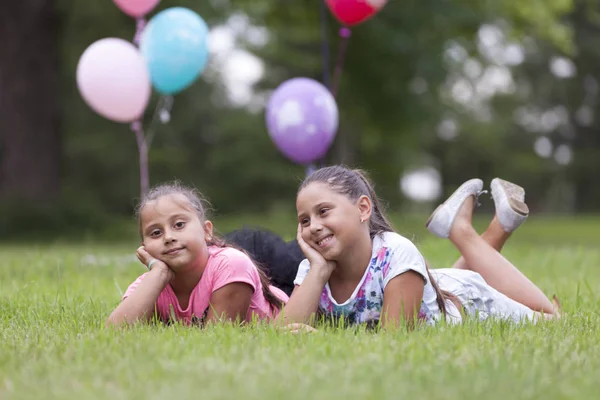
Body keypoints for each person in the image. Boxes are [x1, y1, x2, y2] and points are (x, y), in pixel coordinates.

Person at [273, 165, 560, 330]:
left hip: (468, 301)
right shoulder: (312, 268)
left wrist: (320, 340)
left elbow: (393, 340)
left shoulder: (396, 253)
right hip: (428, 287)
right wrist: (319, 271)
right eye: (304, 220)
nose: (313, 226)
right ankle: (470, 226)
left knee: (553, 321)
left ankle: (462, 229)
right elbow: (281, 335)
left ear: (362, 209)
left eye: (324, 212)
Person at [106, 182, 289, 328]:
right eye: (155, 233)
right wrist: (158, 273)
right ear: (144, 247)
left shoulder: (232, 264)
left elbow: (218, 338)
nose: (168, 237)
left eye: (179, 225)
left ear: (206, 231)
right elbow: (114, 334)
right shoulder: (150, 284)